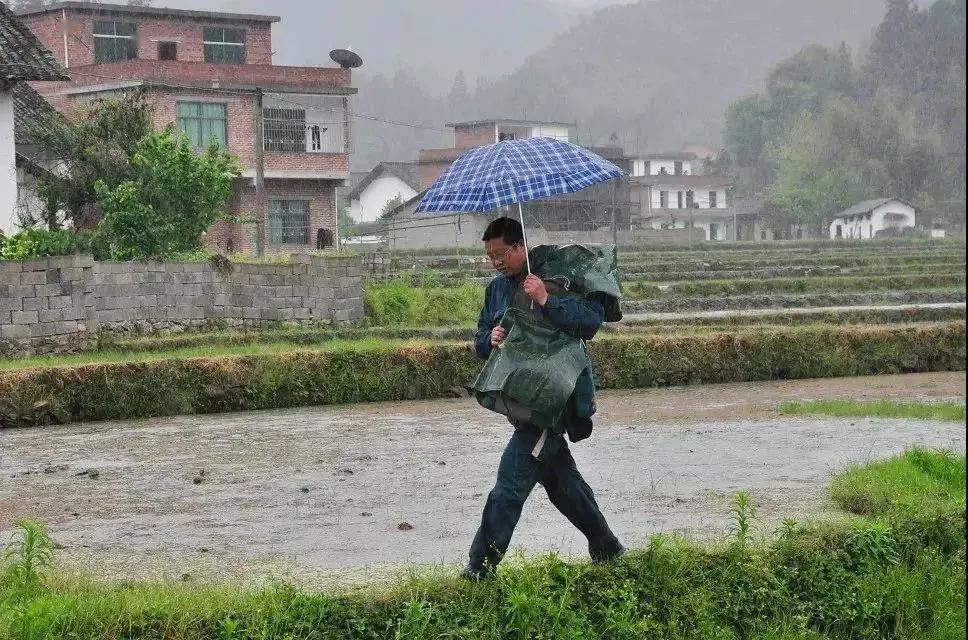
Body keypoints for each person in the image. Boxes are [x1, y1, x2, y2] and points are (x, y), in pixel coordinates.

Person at [462, 216, 625, 580]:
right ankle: (608, 547)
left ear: (521, 246)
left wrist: (546, 299)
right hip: (520, 400)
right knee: (563, 485)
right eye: (490, 256)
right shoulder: (496, 291)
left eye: (501, 253)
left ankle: (479, 568)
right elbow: (480, 338)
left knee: (510, 483)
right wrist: (489, 339)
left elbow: (589, 322)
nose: (496, 261)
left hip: (549, 405)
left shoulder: (553, 277)